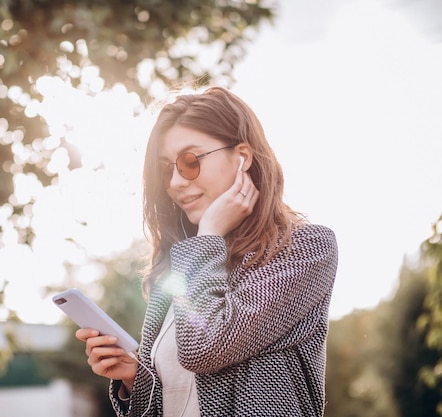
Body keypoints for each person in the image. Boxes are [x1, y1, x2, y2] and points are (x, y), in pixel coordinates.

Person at [76, 86, 338, 417]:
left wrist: (210, 232)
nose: (174, 182)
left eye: (189, 162)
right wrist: (134, 378)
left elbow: (205, 347)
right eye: (166, 168)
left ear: (242, 157)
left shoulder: (306, 248)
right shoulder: (179, 269)